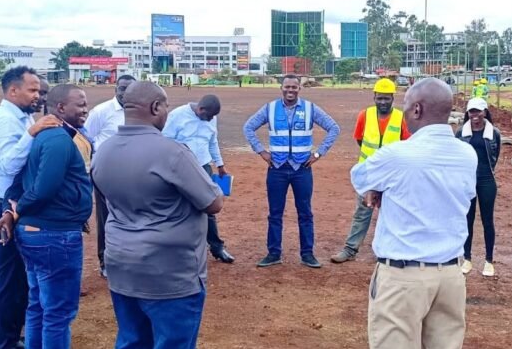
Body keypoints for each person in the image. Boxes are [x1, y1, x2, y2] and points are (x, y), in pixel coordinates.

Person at [92, 82, 224, 349]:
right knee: (172, 347)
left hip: (122, 267)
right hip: (169, 274)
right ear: (155, 107)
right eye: (165, 105)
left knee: (132, 342)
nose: (167, 111)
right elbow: (213, 203)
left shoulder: (103, 151)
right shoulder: (172, 152)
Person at [350, 78, 477, 349]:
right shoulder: (467, 155)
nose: (404, 113)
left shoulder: (397, 155)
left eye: (406, 106)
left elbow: (360, 177)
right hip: (450, 276)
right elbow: (464, 196)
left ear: (417, 109)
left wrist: (377, 188)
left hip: (403, 277)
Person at [0, 84, 93, 349]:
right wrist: (16, 210)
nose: (86, 109)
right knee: (58, 314)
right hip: (54, 236)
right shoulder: (58, 140)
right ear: (60, 107)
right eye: (80, 104)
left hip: (39, 233)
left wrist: (12, 210)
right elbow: (44, 189)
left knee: (39, 306)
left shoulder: (44, 136)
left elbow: (25, 183)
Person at [0, 66, 60, 349]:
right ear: (13, 90)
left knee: (16, 275)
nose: (38, 95)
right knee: (11, 278)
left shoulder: (19, 117)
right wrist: (32, 133)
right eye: (32, 90)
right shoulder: (5, 121)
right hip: (1, 207)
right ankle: (5, 346)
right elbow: (10, 164)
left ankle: (7, 334)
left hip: (1, 202)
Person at [243, 74, 340, 268]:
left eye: (294, 87)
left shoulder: (310, 108)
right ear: (281, 88)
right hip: (277, 168)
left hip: (302, 169)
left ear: (299, 89)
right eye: (287, 87)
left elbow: (334, 128)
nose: (290, 90)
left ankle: (307, 254)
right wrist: (261, 152)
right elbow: (248, 127)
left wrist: (318, 154)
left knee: (305, 213)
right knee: (275, 213)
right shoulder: (270, 108)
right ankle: (273, 253)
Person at [330, 78, 410, 264]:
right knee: (362, 212)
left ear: (393, 98)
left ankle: (391, 252)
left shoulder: (401, 118)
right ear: (374, 97)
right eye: (379, 98)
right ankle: (350, 249)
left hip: (392, 175)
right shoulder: (364, 116)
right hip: (369, 174)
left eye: (387, 98)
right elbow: (360, 140)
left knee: (393, 213)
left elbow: (406, 145)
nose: (383, 102)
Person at [161, 94, 236, 263]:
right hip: (180, 170)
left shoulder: (211, 119)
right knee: (178, 208)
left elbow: (213, 142)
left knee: (209, 207)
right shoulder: (177, 115)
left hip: (203, 168)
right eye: (208, 116)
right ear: (201, 109)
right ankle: (179, 249)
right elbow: (165, 141)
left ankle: (217, 247)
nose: (210, 120)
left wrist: (220, 164)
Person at [85, 74, 135, 276]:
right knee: (106, 216)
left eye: (130, 89)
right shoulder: (102, 111)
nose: (126, 93)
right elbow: (86, 138)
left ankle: (129, 258)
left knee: (131, 215)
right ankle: (105, 261)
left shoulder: (137, 112)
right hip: (106, 173)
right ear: (116, 89)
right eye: (122, 88)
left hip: (133, 172)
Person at [455, 97, 502, 277]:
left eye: (478, 111)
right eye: (471, 111)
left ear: (485, 112)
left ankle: (489, 261)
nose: (475, 115)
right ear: (467, 113)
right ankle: (467, 258)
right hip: (467, 181)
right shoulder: (461, 133)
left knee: (487, 220)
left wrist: (486, 172)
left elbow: (494, 156)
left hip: (486, 180)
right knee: (467, 219)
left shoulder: (494, 133)